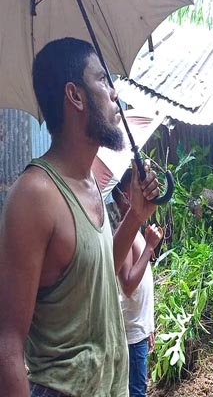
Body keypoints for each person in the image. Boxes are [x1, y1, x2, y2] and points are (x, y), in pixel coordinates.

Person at [0, 37, 160, 396]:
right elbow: (7, 342)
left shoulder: (89, 184)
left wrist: (135, 216)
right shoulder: (34, 195)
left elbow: (100, 273)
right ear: (75, 96)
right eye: (103, 80)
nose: (114, 94)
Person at [111, 168, 163, 397]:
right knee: (136, 393)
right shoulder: (124, 233)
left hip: (138, 330)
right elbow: (128, 284)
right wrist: (150, 247)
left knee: (138, 390)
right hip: (130, 335)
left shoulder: (134, 230)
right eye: (137, 189)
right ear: (125, 195)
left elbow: (142, 285)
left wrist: (148, 325)